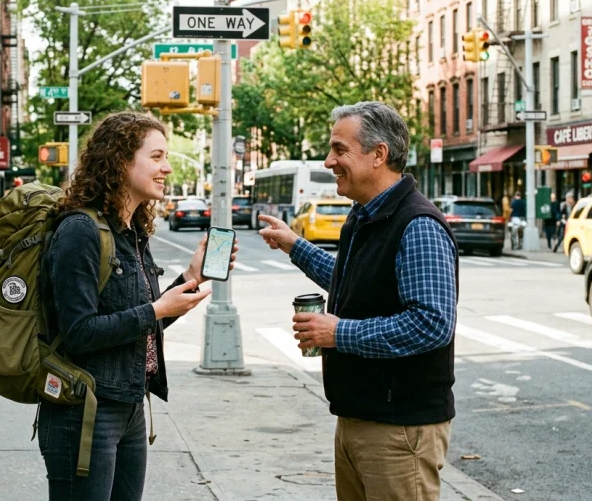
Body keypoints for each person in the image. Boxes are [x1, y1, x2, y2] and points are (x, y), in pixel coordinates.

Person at [258, 102, 458, 500]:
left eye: (339, 149)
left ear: (378, 154)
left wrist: (338, 333)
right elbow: (353, 282)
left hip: (398, 428)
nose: (329, 160)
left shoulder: (416, 224)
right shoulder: (364, 215)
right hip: (358, 417)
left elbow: (432, 324)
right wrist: (295, 246)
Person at [38, 111, 237, 500]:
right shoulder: (80, 231)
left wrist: (189, 280)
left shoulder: (130, 233)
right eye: (157, 156)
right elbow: (79, 333)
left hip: (129, 404)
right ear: (121, 160)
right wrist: (159, 310)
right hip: (85, 410)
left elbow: (139, 322)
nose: (168, 167)